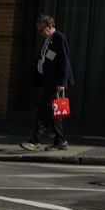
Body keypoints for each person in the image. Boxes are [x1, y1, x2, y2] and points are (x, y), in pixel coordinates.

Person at [24, 14, 74, 151]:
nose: (39, 32)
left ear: (50, 26)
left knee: (44, 111)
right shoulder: (48, 39)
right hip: (47, 82)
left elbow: (65, 62)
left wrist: (62, 82)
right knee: (54, 113)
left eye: (41, 30)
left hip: (55, 83)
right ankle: (60, 141)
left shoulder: (58, 38)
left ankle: (35, 141)